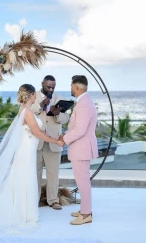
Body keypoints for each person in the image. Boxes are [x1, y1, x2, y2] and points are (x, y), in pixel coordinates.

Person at [0, 84, 64, 229]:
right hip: (26, 148)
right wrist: (55, 141)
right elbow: (37, 132)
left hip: (27, 147)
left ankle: (24, 209)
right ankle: (23, 212)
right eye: (34, 94)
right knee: (25, 176)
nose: (36, 97)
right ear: (30, 96)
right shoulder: (27, 112)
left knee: (22, 176)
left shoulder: (24, 110)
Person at [59, 75, 98, 225]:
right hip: (80, 148)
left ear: (76, 87)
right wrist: (66, 135)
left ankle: (86, 214)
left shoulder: (83, 104)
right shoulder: (84, 102)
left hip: (81, 148)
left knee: (83, 182)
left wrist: (64, 139)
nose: (70, 89)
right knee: (82, 180)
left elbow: (80, 130)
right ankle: (84, 210)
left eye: (71, 86)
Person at [31, 75, 69, 210]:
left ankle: (53, 200)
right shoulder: (33, 96)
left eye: (53, 87)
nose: (51, 89)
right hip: (36, 141)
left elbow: (65, 118)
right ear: (42, 84)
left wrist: (58, 113)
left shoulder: (59, 98)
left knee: (53, 173)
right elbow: (27, 113)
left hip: (54, 141)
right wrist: (41, 106)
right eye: (48, 87)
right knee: (35, 173)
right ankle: (33, 200)